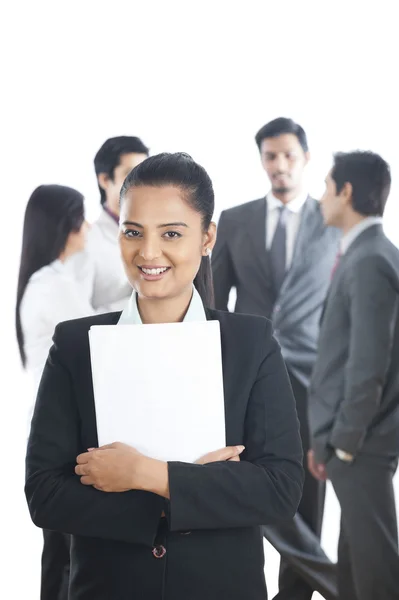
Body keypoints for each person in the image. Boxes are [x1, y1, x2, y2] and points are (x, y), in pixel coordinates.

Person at [25, 152, 304, 600]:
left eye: (171, 233)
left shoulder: (251, 344)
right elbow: (45, 494)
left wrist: (144, 474)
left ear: (207, 237)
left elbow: (279, 489)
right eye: (132, 232)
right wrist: (197, 488)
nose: (148, 252)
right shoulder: (76, 347)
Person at [212, 117, 340, 600]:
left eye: (288, 155)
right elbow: (214, 304)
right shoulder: (236, 219)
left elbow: (341, 308)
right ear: (261, 160)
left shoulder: (330, 222)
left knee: (308, 492)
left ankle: (298, 594)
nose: (279, 165)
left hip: (314, 381)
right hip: (247, 375)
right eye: (270, 156)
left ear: (305, 158)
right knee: (241, 484)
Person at [16, 184, 117, 600]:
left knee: (61, 554)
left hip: (55, 428)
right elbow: (96, 338)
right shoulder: (52, 283)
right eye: (81, 219)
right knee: (66, 557)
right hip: (61, 433)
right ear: (65, 226)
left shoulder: (52, 279)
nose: (89, 227)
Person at [308, 151, 399, 600]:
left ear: (346, 192)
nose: (322, 197)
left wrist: (342, 443)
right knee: (355, 567)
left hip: (361, 445)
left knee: (377, 568)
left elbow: (368, 367)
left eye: (326, 187)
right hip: (354, 443)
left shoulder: (371, 261)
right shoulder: (368, 254)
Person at [83, 135, 149, 310]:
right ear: (105, 180)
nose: (141, 183)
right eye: (130, 174)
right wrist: (142, 304)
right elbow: (74, 318)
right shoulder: (86, 243)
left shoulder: (167, 234)